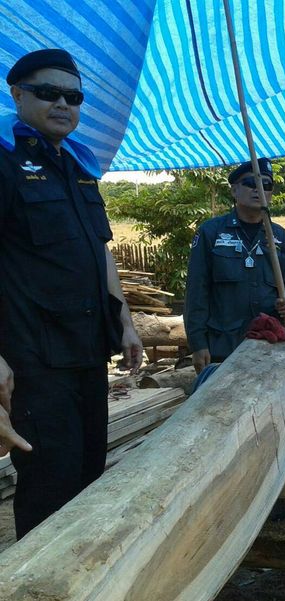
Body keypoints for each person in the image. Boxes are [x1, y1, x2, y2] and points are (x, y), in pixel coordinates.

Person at [0, 49, 143, 538]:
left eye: (73, 97)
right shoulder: (4, 160)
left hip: (86, 351)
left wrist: (124, 320)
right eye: (48, 93)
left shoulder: (79, 165)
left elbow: (99, 251)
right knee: (49, 485)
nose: (63, 104)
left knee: (87, 474)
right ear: (17, 94)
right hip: (35, 360)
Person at [184, 158, 285, 373]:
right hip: (224, 347)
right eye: (251, 182)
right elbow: (196, 292)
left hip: (271, 346)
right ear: (234, 190)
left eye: (266, 184)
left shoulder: (280, 237)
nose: (259, 189)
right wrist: (198, 343)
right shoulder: (211, 233)